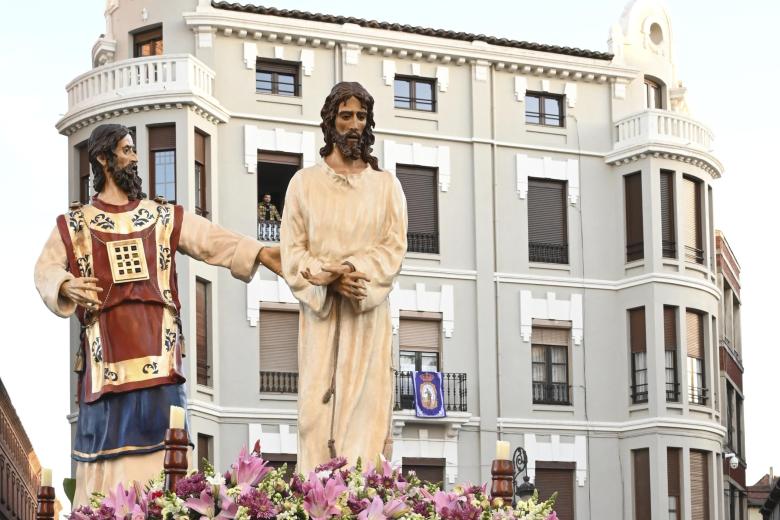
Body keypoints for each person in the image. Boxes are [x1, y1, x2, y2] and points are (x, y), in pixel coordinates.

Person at [34, 124, 281, 506]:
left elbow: (210, 239)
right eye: (126, 150)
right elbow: (45, 269)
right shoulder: (75, 224)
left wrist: (260, 252)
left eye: (134, 150)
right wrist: (64, 284)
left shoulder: (161, 216)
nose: (134, 158)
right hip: (106, 369)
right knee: (106, 460)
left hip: (161, 365)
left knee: (167, 458)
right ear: (102, 158)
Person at [280, 82, 408, 473]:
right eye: (346, 115)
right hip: (321, 323)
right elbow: (293, 252)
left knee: (366, 424)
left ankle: (363, 506)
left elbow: (393, 246)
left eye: (361, 117)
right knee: (315, 420)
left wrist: (355, 272)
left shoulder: (386, 186)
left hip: (367, 321)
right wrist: (329, 279)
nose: (354, 124)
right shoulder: (304, 184)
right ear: (330, 122)